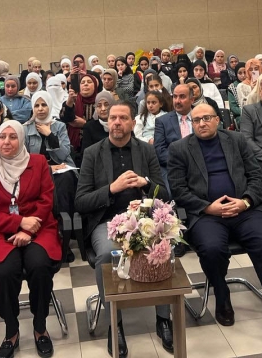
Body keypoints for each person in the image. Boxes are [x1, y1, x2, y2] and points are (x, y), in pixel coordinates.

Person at [168, 104, 262, 357]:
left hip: (245, 210)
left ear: (217, 120)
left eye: (207, 118)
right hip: (207, 214)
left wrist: (245, 201)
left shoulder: (236, 140)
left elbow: (257, 176)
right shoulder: (179, 149)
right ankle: (221, 294)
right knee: (211, 248)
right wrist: (208, 207)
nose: (202, 123)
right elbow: (178, 189)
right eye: (196, 120)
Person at [75, 101, 173, 357]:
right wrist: (111, 189)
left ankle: (163, 318)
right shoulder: (92, 153)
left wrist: (145, 183)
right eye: (112, 118)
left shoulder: (145, 150)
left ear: (133, 122)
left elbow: (164, 193)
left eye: (122, 118)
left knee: (163, 248)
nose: (116, 122)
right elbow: (81, 201)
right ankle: (115, 323)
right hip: (106, 221)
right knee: (108, 254)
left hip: (142, 220)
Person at [0, 120, 59, 358]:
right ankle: (11, 330)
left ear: (22, 139)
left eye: (13, 137)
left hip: (39, 228)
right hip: (1, 232)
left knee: (40, 266)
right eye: (2, 137)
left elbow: (46, 200)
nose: (6, 142)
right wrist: (18, 223)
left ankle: (40, 326)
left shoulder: (39, 163)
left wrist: (28, 230)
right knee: (5, 272)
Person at [24, 92, 77, 258]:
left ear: (50, 105)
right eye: (37, 105)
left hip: (62, 169)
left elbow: (64, 154)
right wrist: (48, 168)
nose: (40, 109)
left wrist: (50, 135)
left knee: (65, 180)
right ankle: (51, 233)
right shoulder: (25, 129)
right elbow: (25, 158)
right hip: (37, 171)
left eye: (44, 105)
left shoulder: (59, 126)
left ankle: (63, 233)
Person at [154, 84, 195, 185]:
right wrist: (181, 163)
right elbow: (160, 150)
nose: (177, 101)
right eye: (175, 97)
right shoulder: (162, 121)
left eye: (182, 97)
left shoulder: (200, 118)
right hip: (173, 168)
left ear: (192, 100)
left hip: (199, 166)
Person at [62, 73, 99, 159]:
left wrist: (85, 124)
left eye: (89, 82)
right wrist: (70, 101)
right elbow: (65, 118)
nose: (85, 84)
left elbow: (102, 124)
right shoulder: (73, 101)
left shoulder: (100, 102)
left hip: (94, 145)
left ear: (95, 85)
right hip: (74, 146)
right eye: (82, 82)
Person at [227, 62, 247, 127]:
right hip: (240, 115)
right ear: (236, 74)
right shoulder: (232, 87)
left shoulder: (252, 84)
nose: (243, 75)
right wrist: (246, 112)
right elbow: (233, 107)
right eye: (240, 73)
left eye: (245, 72)